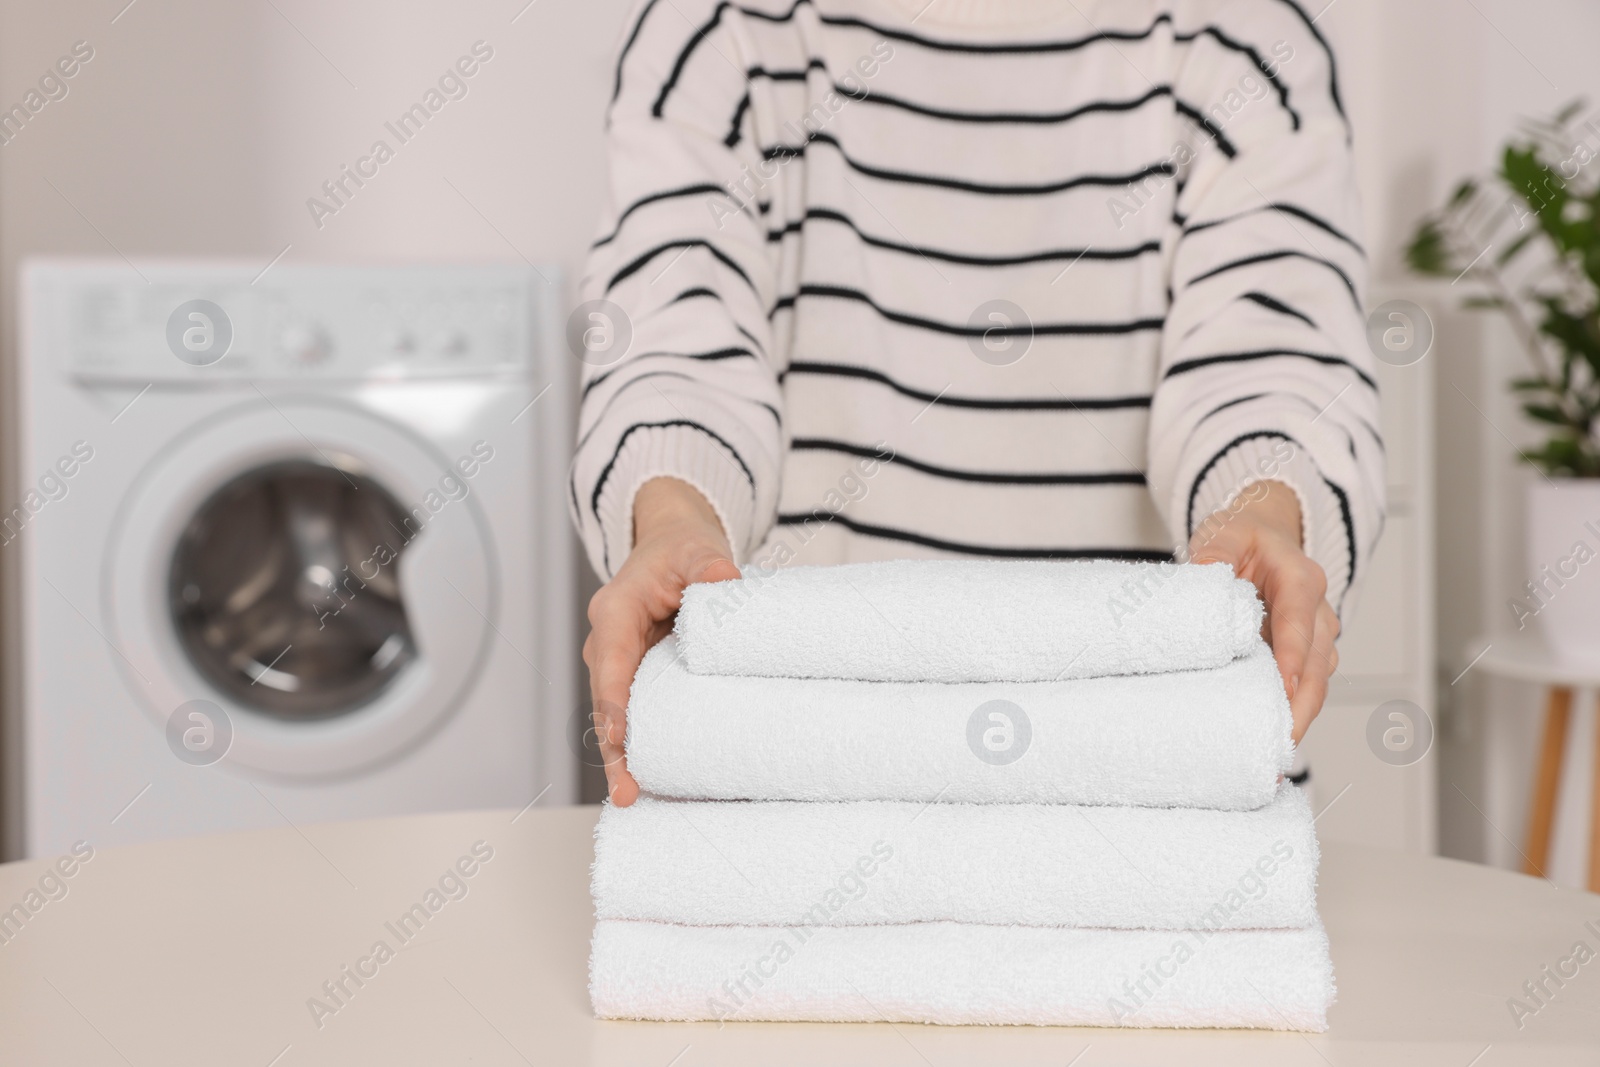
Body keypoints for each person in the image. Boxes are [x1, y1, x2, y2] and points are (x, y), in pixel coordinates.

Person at [570, 0, 1384, 805]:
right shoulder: (720, 33)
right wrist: (676, 517)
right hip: (803, 794)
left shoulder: (1240, 42)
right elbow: (675, 339)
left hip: (1156, 795)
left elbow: (1275, 351)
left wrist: (1263, 514)